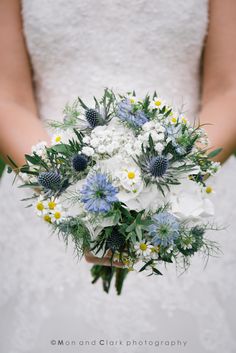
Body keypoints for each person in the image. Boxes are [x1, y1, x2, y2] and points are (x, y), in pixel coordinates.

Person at [0, 0, 236, 352]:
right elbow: (9, 97)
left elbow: (227, 89)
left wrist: (174, 181)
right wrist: (69, 193)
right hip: (47, 185)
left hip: (187, 184)